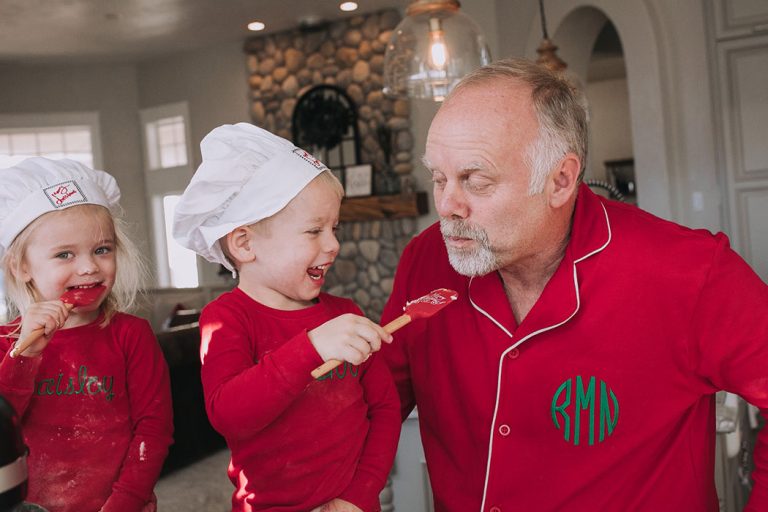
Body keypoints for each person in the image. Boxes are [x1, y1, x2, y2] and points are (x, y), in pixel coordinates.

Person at [380, 58, 768, 511]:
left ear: (560, 180)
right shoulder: (426, 260)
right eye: (438, 178)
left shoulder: (690, 272)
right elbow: (375, 405)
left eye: (476, 180)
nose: (447, 206)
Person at [173, 123, 400, 512]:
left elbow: (384, 409)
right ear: (245, 244)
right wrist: (310, 348)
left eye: (334, 227)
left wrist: (359, 495)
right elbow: (230, 415)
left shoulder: (346, 315)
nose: (333, 244)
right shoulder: (225, 319)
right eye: (314, 230)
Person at [0, 158, 174, 512]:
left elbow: (153, 431)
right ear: (21, 268)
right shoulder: (8, 343)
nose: (89, 266)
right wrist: (25, 355)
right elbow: (2, 430)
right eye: (64, 254)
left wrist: (125, 502)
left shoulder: (131, 335)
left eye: (102, 249)